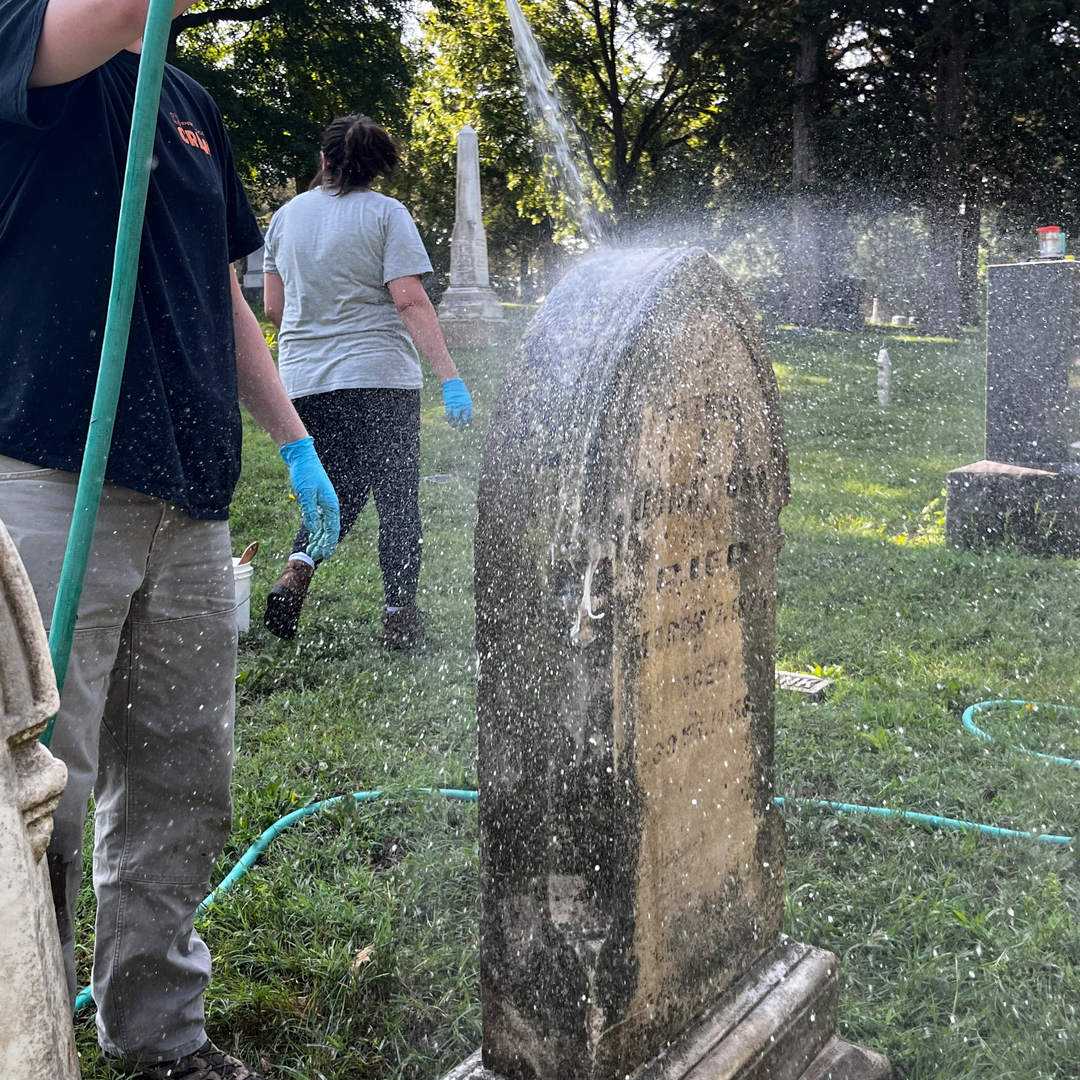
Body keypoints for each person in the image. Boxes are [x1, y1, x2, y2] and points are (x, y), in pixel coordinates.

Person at [0, 1, 340, 1077]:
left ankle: (160, 1038)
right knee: (32, 800)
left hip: (191, 502)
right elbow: (93, 19)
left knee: (182, 781)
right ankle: (25, 1042)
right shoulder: (26, 40)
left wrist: (292, 438)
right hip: (53, 478)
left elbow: (221, 291)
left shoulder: (190, 106)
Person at [261, 114, 474, 648]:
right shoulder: (387, 215)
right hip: (380, 376)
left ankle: (297, 569)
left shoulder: (284, 219)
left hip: (307, 382)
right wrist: (450, 376)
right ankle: (400, 619)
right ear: (376, 168)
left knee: (337, 489)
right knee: (398, 501)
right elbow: (408, 299)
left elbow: (273, 307)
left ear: (325, 160)